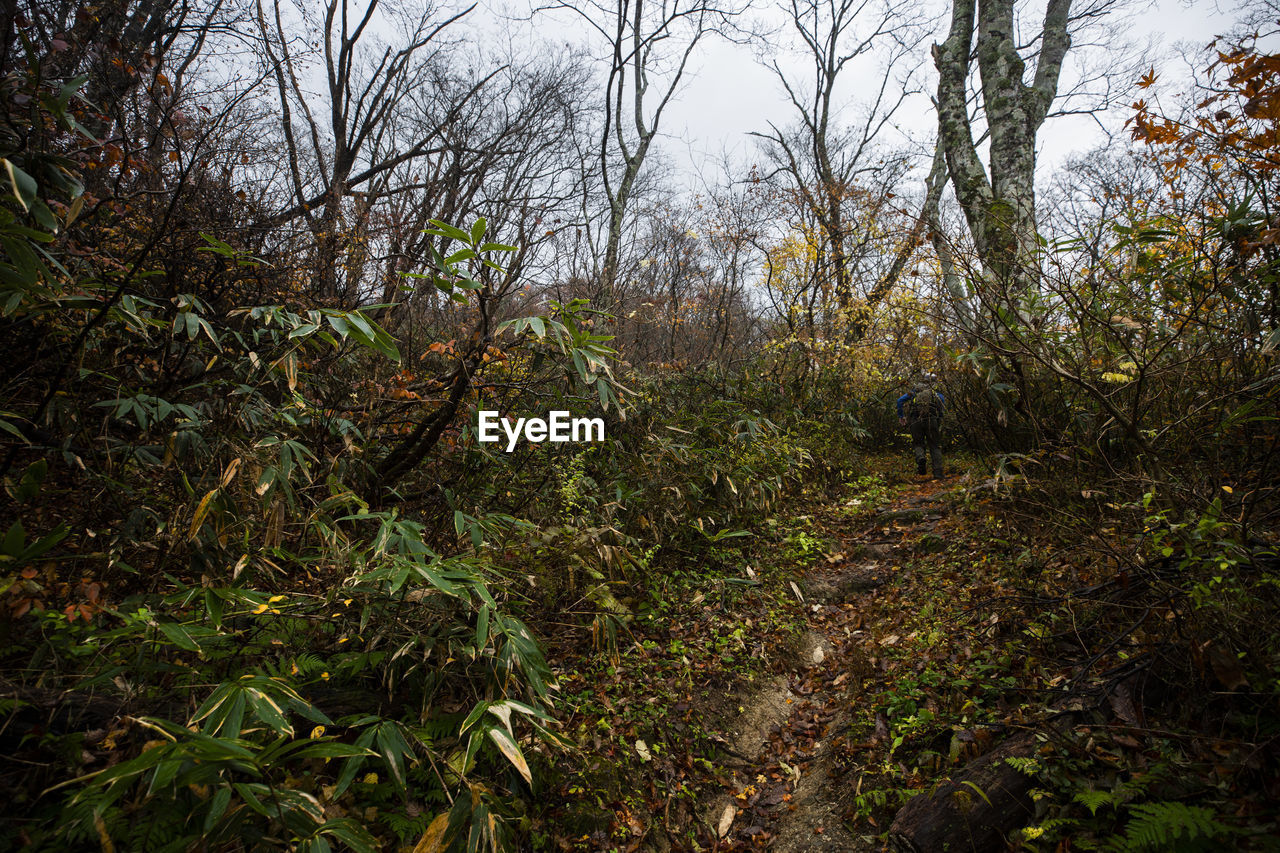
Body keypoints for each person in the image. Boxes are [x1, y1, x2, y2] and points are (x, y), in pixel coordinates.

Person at [897, 376, 945, 479]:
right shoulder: (935, 393)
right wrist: (939, 418)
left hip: (915, 420)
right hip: (931, 420)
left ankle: (921, 458)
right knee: (934, 446)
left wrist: (901, 416)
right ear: (934, 382)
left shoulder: (915, 391)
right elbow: (942, 406)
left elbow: (899, 401)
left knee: (918, 443)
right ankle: (938, 473)